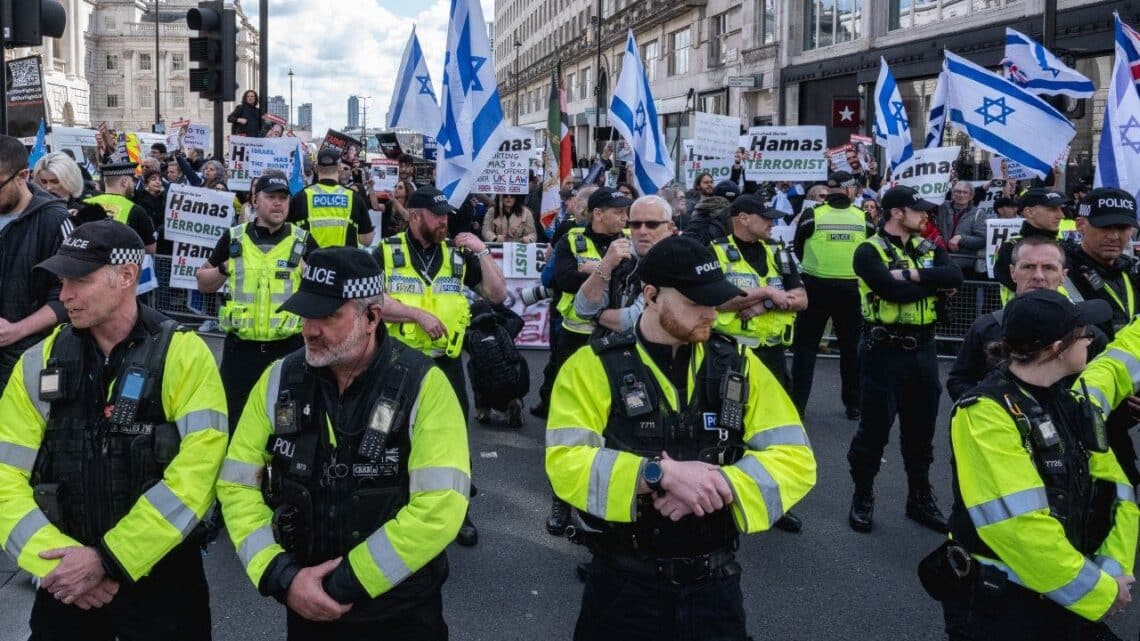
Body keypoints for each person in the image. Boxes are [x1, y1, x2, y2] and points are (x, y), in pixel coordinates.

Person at [546, 234, 816, 640]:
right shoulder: (591, 366)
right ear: (651, 295)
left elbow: (795, 456)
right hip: (622, 586)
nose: (710, 313)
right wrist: (657, 475)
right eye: (695, 302)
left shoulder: (739, 365)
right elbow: (566, 461)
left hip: (715, 583)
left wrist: (722, 482)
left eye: (715, 300)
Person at [217, 247, 470, 640]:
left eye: (328, 316)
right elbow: (236, 484)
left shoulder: (425, 384)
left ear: (372, 317)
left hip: (400, 612)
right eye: (305, 313)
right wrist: (281, 576)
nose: (308, 329)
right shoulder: (278, 379)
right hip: (305, 604)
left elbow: (440, 508)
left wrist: (339, 586)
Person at [0, 220, 226, 638]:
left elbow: (199, 473)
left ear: (126, 276)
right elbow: (4, 476)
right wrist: (60, 563)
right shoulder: (39, 362)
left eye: (79, 280)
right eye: (62, 280)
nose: (64, 294)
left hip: (163, 578)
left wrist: (108, 560)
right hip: (65, 578)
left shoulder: (184, 355)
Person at [934, 289, 1139, 640]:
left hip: (1060, 588)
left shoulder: (1071, 399)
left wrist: (1110, 570)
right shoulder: (985, 415)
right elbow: (1020, 529)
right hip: (1004, 606)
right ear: (1057, 347)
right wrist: (1100, 591)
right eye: (1083, 332)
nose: (1091, 338)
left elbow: (1118, 364)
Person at [374, 186, 506, 546]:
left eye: (447, 214)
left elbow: (497, 295)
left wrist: (484, 252)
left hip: (444, 365)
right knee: (389, 436)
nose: (445, 221)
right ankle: (394, 506)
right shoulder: (386, 252)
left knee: (451, 442)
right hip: (395, 364)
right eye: (438, 215)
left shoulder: (458, 257)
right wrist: (415, 314)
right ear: (415, 216)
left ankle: (458, 511)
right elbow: (367, 299)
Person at [848, 186, 963, 534]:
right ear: (897, 212)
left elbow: (954, 276)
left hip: (924, 352)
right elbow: (890, 291)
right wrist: (932, 283)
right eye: (919, 211)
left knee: (921, 431)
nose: (926, 216)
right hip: (883, 350)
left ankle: (919, 498)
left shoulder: (926, 247)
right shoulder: (868, 250)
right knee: (874, 430)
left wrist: (911, 276)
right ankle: (863, 495)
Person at [709, 193, 808, 534]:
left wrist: (766, 304)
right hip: (730, 355)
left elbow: (801, 298)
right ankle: (722, 497)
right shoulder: (716, 251)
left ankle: (772, 502)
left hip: (772, 355)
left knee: (770, 434)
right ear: (742, 218)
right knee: (728, 429)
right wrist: (766, 293)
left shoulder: (779, 253)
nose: (771, 223)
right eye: (765, 217)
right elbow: (718, 300)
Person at [542, 187, 632, 536]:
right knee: (570, 426)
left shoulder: (628, 242)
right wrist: (604, 266)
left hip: (616, 341)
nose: (625, 219)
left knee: (612, 426)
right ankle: (561, 499)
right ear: (597, 213)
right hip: (575, 340)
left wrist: (592, 268)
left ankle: (599, 501)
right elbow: (562, 278)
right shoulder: (571, 238)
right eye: (618, 212)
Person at [196, 171, 318, 426]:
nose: (278, 203)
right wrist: (222, 269)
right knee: (236, 422)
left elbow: (323, 293)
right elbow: (202, 281)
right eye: (271, 196)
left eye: (283, 198)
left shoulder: (302, 241)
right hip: (241, 352)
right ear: (255, 200)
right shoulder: (234, 238)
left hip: (288, 351)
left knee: (286, 424)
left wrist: (311, 277)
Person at [947, 237, 1076, 401]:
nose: (1038, 276)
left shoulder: (1082, 331)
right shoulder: (986, 327)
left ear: (1063, 275)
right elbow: (960, 380)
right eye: (1028, 267)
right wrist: (994, 407)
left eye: (1049, 268)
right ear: (1012, 272)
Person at [791, 171, 873, 420]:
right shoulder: (864, 218)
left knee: (805, 350)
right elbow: (873, 247)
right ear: (850, 190)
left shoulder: (812, 215)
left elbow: (797, 245)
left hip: (815, 287)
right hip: (851, 290)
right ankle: (854, 405)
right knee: (850, 350)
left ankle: (797, 407)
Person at [0, 136, 73, 389]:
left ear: (22, 176)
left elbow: (69, 295)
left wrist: (17, 330)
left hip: (27, 360)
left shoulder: (55, 220)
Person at [573, 195, 674, 335]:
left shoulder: (677, 260)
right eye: (636, 224)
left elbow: (637, 320)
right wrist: (605, 265)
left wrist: (597, 316)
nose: (643, 231)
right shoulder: (622, 255)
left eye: (652, 224)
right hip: (612, 349)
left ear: (670, 227)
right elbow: (582, 308)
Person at [289, 149, 375, 248]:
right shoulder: (354, 198)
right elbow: (366, 240)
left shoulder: (300, 198)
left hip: (311, 261)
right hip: (345, 261)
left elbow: (287, 234)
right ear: (339, 168)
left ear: (316, 168)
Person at [993, 188, 1066, 303]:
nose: (1061, 215)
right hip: (1021, 316)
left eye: (1061, 209)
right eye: (1053, 209)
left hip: (1065, 317)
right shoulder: (1010, 248)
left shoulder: (1064, 245)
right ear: (1029, 212)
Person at [85, 162, 158, 253]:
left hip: (88, 262)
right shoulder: (136, 210)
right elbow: (150, 249)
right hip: (121, 265)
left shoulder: (86, 203)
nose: (134, 185)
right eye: (132, 181)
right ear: (124, 182)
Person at [936, 182, 990, 279]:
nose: (961, 195)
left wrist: (961, 238)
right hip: (940, 262)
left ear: (971, 196)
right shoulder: (941, 207)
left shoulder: (978, 213)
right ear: (952, 194)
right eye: (958, 191)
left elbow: (982, 240)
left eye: (965, 192)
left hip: (964, 266)